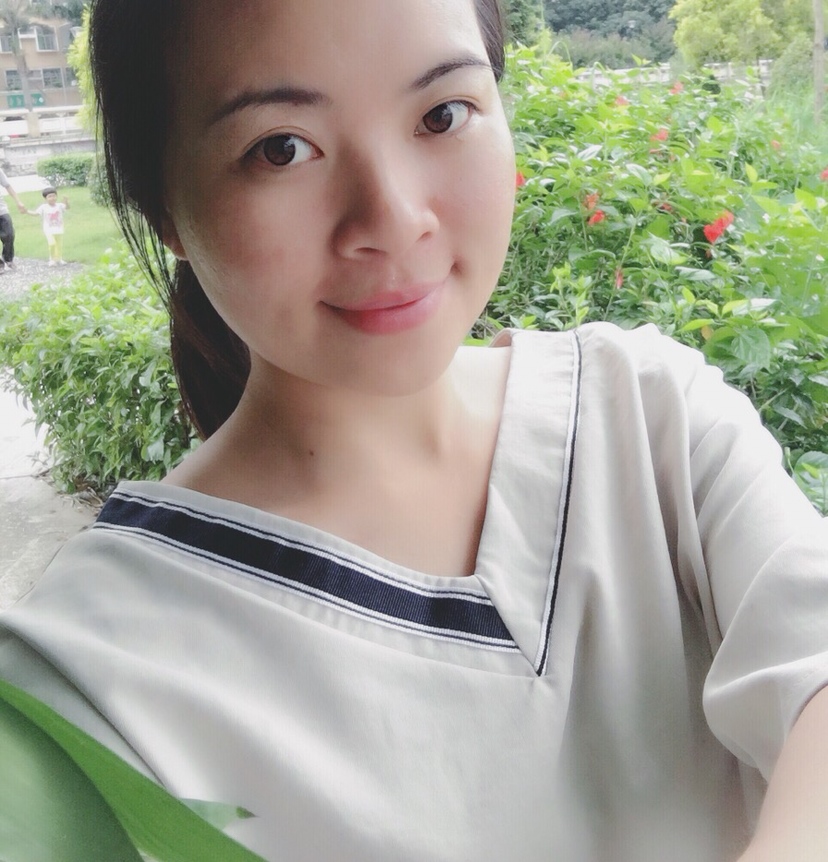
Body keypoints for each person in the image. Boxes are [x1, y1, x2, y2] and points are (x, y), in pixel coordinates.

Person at [0, 0, 827, 859]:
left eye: (442, 114)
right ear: (161, 204)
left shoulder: (646, 418)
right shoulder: (82, 688)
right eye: (280, 149)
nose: (394, 217)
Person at [26, 185, 70, 266]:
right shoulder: (44, 207)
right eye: (50, 196)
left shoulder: (59, 205)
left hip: (59, 228)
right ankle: (52, 259)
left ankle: (59, 259)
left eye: (54, 196)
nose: (52, 198)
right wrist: (26, 211)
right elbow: (35, 213)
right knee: (52, 243)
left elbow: (67, 207)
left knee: (59, 245)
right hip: (48, 229)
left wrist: (66, 201)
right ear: (45, 198)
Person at [0, 167, 28, 272]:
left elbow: (7, 186)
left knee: (9, 234)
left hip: (2, 209)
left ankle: (8, 258)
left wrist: (18, 201)